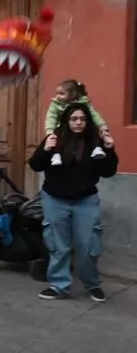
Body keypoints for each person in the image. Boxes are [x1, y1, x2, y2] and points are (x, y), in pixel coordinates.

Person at [30, 102, 118, 302]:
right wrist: (45, 150)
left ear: (88, 122)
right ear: (66, 121)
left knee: (88, 245)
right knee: (58, 246)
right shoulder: (54, 138)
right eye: (74, 119)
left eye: (83, 119)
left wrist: (109, 150)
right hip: (55, 199)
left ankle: (92, 284)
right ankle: (59, 285)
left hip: (85, 201)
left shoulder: (95, 142)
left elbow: (108, 171)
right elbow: (35, 165)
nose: (78, 123)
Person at [44, 79, 112, 166]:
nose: (58, 96)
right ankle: (57, 154)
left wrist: (103, 127)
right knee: (58, 135)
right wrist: (50, 132)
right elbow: (51, 117)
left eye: (61, 94)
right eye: (57, 93)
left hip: (85, 133)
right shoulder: (56, 104)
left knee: (93, 129)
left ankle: (96, 148)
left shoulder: (83, 102)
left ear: (73, 94)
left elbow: (94, 115)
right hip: (63, 128)